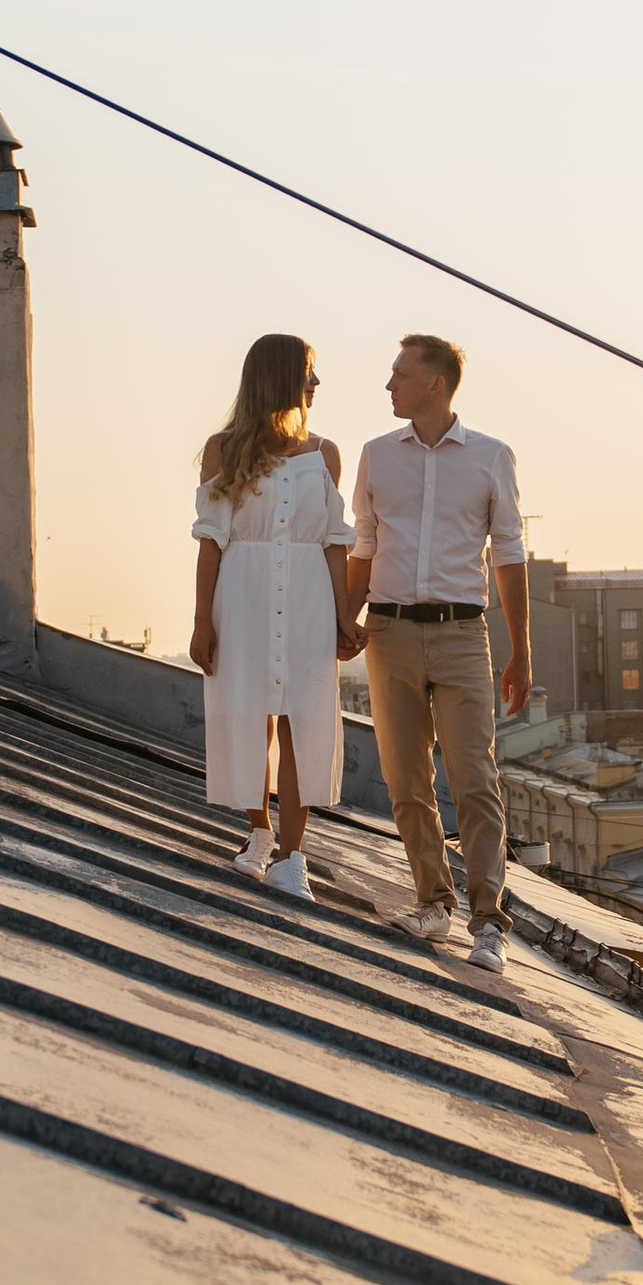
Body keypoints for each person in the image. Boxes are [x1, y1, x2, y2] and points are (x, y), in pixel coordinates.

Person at [343, 333, 530, 971]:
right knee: (403, 778)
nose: (388, 385)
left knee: (475, 779)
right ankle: (432, 902)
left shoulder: (490, 457)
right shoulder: (376, 456)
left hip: (461, 634)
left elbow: (508, 553)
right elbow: (363, 545)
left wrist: (521, 651)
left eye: (399, 374)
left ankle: (488, 922)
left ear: (435, 384)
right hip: (390, 631)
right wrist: (346, 616)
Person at [190, 333, 358, 901]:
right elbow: (210, 542)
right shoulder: (224, 450)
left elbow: (335, 542)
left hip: (309, 596)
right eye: (309, 371)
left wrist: (343, 614)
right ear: (280, 376)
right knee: (247, 715)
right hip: (242, 594)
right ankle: (258, 833)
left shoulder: (325, 454)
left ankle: (293, 857)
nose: (316, 383)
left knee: (302, 721)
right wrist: (200, 622)